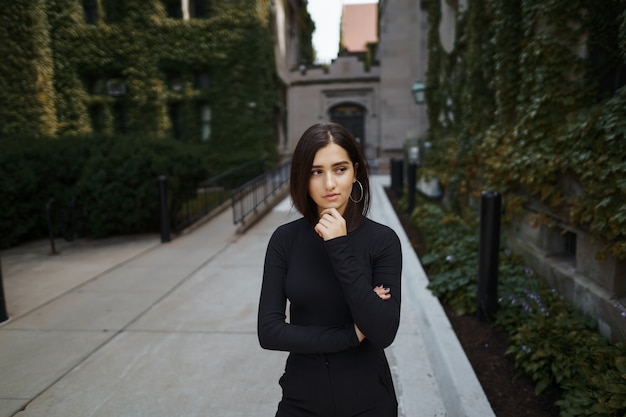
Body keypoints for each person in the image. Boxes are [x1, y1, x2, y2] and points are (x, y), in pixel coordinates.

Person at [257, 122, 402, 417]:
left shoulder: (383, 241)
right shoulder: (285, 241)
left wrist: (338, 245)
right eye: (316, 172)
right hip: (301, 398)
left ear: (356, 171)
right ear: (302, 177)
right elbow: (269, 332)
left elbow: (383, 332)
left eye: (339, 169)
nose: (329, 185)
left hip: (369, 401)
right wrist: (350, 336)